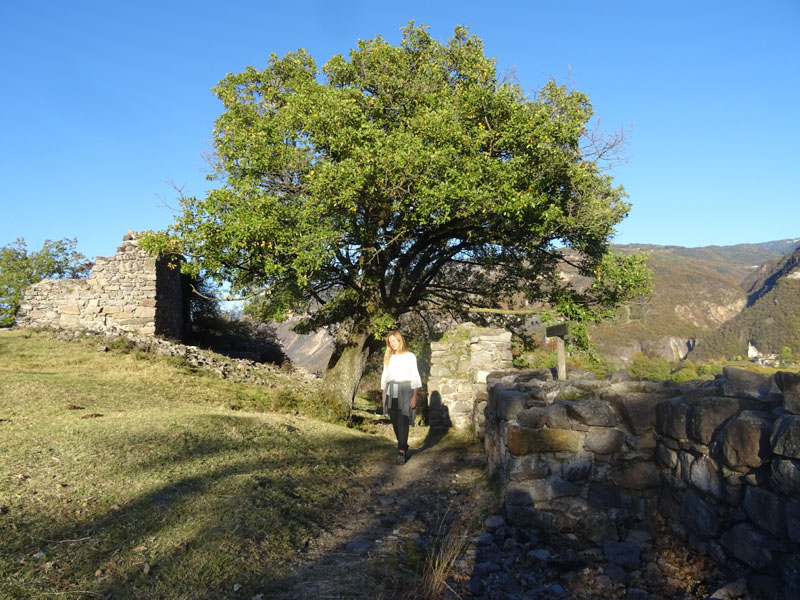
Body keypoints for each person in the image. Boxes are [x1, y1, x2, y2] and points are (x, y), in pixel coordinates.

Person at [380, 330, 422, 465]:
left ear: (400, 340)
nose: (392, 344)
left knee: (403, 419)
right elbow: (384, 376)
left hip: (405, 390)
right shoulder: (388, 357)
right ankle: (403, 444)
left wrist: (414, 396)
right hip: (391, 391)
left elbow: (415, 375)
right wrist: (383, 394)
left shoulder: (410, 356)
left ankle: (401, 451)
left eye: (394, 341)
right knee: (395, 421)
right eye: (390, 342)